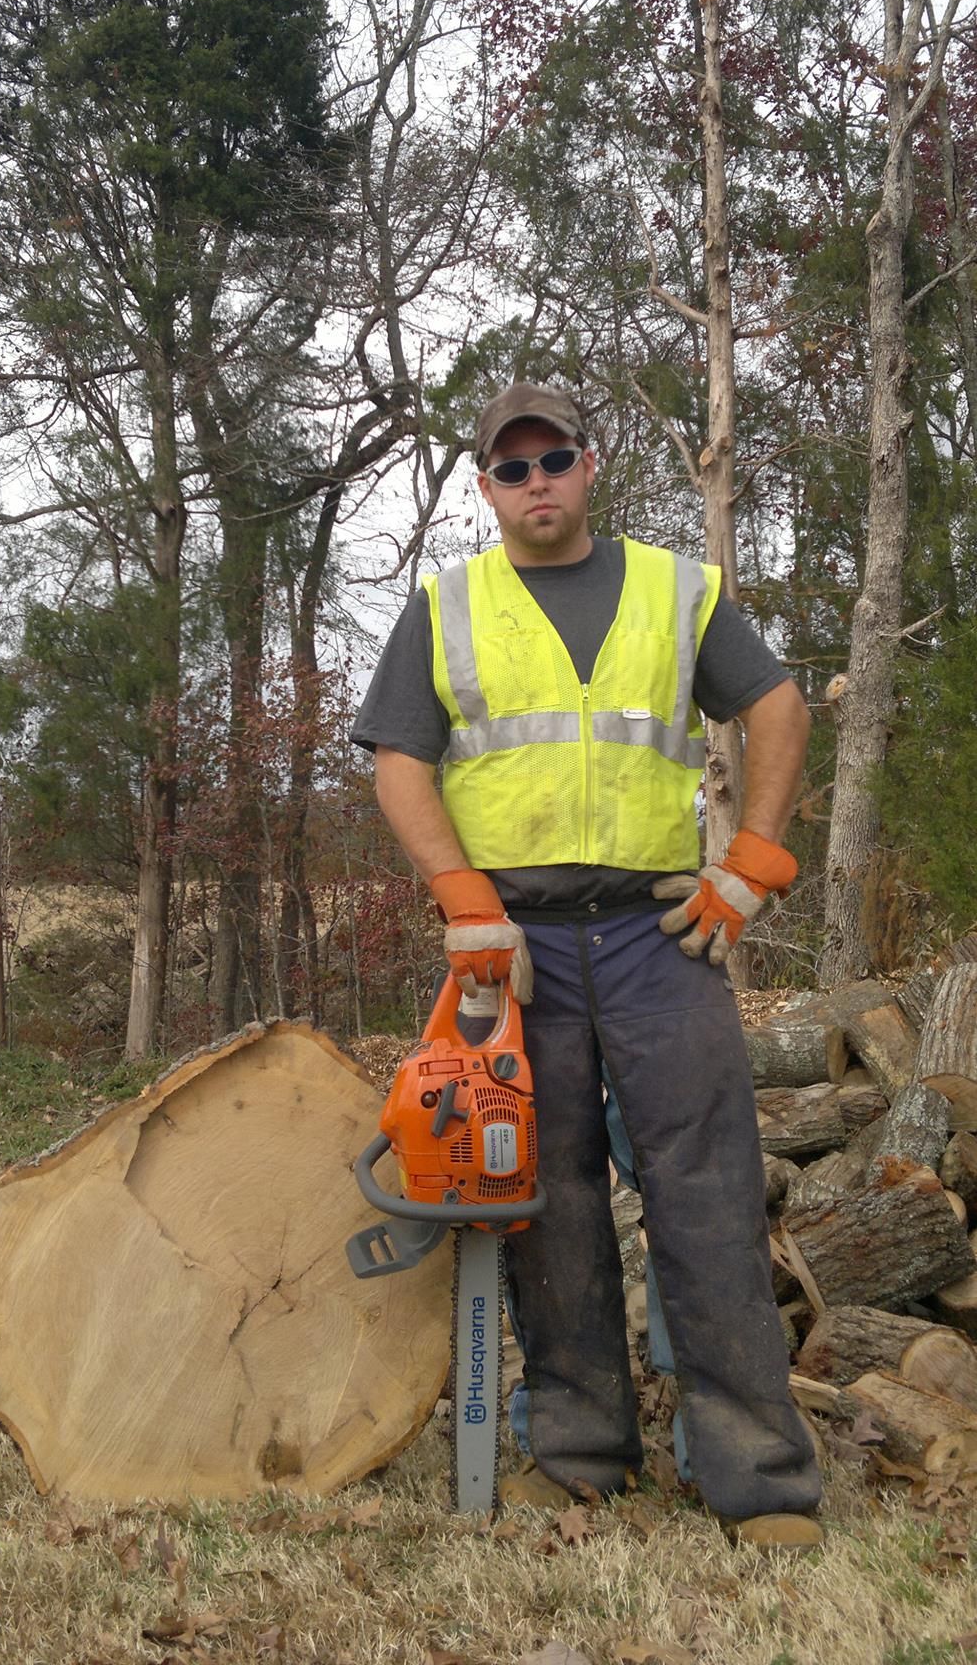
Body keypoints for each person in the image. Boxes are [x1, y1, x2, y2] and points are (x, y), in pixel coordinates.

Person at [352, 381, 823, 1548]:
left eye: (552, 458)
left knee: (705, 1191)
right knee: (541, 1195)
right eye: (510, 469)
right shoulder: (446, 606)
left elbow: (774, 703)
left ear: (589, 464)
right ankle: (575, 1454)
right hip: (510, 952)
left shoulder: (675, 588)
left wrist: (751, 856)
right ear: (485, 487)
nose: (534, 483)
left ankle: (755, 1477)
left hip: (658, 933)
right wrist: (463, 900)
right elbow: (399, 762)